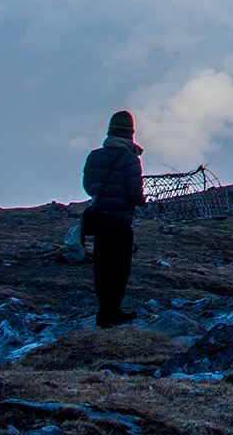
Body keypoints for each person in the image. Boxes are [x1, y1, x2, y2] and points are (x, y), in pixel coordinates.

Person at [81, 110, 147, 327]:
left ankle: (106, 309)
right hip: (120, 222)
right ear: (130, 133)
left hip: (99, 220)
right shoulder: (130, 159)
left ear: (110, 131)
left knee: (101, 266)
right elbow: (134, 193)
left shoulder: (94, 155)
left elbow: (87, 186)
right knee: (119, 269)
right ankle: (109, 314)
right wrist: (141, 202)